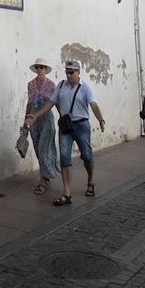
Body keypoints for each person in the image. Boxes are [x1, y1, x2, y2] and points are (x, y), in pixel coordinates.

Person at [24, 59, 105, 205]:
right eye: (67, 72)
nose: (68, 75)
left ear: (78, 73)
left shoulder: (85, 88)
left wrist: (100, 119)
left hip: (81, 126)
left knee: (87, 156)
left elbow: (93, 105)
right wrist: (34, 115)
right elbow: (50, 103)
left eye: (71, 72)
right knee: (65, 159)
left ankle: (90, 180)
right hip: (66, 127)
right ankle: (67, 193)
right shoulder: (61, 86)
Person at [23, 57, 60, 194]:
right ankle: (46, 174)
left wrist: (63, 117)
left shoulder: (51, 85)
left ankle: (42, 181)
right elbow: (29, 102)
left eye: (42, 67)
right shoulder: (30, 84)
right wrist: (25, 120)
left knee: (44, 148)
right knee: (38, 148)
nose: (39, 70)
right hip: (33, 118)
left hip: (46, 118)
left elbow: (55, 102)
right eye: (37, 67)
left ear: (46, 69)